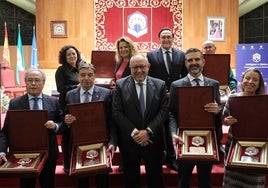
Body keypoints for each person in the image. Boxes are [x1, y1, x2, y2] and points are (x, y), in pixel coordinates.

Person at [0, 68, 64, 188]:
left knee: (48, 184)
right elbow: (6, 130)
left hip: (48, 153)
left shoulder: (53, 101)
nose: (33, 83)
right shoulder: (15, 103)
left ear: (43, 83)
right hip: (24, 154)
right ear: (25, 82)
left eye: (37, 80)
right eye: (30, 80)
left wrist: (55, 126)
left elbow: (63, 124)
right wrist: (2, 150)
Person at [112, 54, 169, 188]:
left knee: (155, 178)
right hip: (130, 141)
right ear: (130, 68)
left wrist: (148, 131)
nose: (138, 70)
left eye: (142, 66)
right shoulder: (120, 85)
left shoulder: (160, 85)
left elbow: (164, 111)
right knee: (131, 179)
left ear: (148, 67)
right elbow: (117, 112)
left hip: (153, 140)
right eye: (135, 67)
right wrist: (135, 133)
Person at [169, 48, 221, 188]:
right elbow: (171, 113)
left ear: (203, 61)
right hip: (184, 140)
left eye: (197, 59)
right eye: (190, 60)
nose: (194, 63)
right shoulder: (176, 85)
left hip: (208, 141)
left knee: (205, 181)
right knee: (183, 181)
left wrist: (218, 110)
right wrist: (173, 133)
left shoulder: (213, 84)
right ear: (185, 64)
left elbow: (219, 110)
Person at [64, 62, 117, 188]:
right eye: (83, 75)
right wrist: (66, 120)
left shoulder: (106, 93)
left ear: (94, 76)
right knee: (82, 181)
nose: (86, 78)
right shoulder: (70, 95)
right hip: (79, 144)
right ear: (78, 76)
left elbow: (112, 120)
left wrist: (113, 141)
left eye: (89, 75)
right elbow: (64, 116)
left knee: (102, 180)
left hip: (101, 142)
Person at [147, 27, 188, 171]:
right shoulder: (151, 55)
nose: (166, 39)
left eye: (168, 37)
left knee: (173, 127)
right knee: (158, 127)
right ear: (159, 39)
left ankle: (172, 158)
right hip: (158, 98)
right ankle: (159, 157)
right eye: (163, 37)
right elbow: (149, 77)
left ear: (173, 38)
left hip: (176, 97)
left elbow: (184, 76)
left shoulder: (181, 55)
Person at [222, 68, 266, 188]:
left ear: (259, 83)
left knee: (253, 181)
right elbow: (224, 120)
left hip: (258, 147)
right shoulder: (232, 98)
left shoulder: (264, 101)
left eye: (255, 79)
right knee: (232, 183)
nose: (250, 81)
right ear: (241, 80)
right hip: (234, 147)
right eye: (247, 78)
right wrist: (227, 120)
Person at [202, 40, 237, 155]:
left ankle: (218, 144)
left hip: (220, 94)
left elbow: (231, 79)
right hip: (202, 94)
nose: (208, 49)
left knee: (218, 119)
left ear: (215, 48)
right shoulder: (199, 62)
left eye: (210, 47)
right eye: (205, 47)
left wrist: (232, 88)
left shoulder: (223, 61)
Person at [55, 45, 82, 172]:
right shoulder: (61, 70)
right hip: (66, 105)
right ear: (64, 57)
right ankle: (66, 162)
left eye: (74, 54)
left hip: (80, 104)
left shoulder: (80, 69)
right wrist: (75, 87)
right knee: (67, 134)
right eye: (69, 54)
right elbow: (60, 89)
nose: (72, 56)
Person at [113, 36, 138, 171]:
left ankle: (130, 163)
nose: (123, 49)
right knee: (122, 132)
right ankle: (124, 161)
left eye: (125, 47)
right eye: (120, 47)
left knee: (129, 131)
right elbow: (117, 79)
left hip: (130, 102)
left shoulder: (134, 62)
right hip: (118, 101)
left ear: (130, 47)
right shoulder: (119, 62)